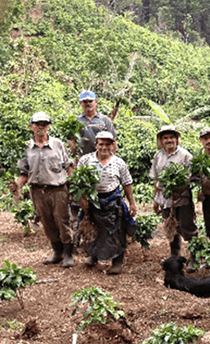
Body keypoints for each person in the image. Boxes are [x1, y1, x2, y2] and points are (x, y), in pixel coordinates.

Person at [11, 112, 74, 267]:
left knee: (63, 221)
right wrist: (17, 185)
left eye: (44, 124)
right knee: (47, 222)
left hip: (58, 190)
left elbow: (69, 166)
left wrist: (72, 187)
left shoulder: (58, 144)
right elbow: (24, 172)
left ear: (48, 126)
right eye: (37, 124)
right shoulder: (26, 148)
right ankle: (57, 252)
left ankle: (68, 254)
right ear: (31, 126)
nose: (41, 127)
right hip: (38, 191)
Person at [77, 131, 137, 274]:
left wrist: (132, 203)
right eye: (101, 144)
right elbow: (78, 181)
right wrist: (82, 199)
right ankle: (93, 257)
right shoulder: (86, 160)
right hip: (93, 201)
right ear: (96, 144)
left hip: (113, 201)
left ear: (112, 146)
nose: (104, 147)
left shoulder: (119, 162)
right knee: (94, 229)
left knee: (116, 231)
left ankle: (117, 261)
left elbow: (127, 183)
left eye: (107, 144)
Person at [149, 125, 198, 257]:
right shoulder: (158, 156)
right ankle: (175, 257)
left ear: (176, 139)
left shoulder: (186, 156)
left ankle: (194, 257)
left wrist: (180, 191)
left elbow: (192, 178)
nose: (169, 140)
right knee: (171, 229)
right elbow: (156, 179)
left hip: (182, 200)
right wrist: (156, 200)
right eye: (165, 138)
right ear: (161, 140)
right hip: (165, 200)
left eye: (171, 137)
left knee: (188, 228)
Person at [75, 90, 117, 155]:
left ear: (96, 102)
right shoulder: (76, 121)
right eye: (85, 101)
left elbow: (113, 140)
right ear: (80, 103)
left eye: (90, 101)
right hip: (83, 159)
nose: (88, 103)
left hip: (102, 157)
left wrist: (112, 158)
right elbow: (72, 142)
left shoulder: (104, 120)